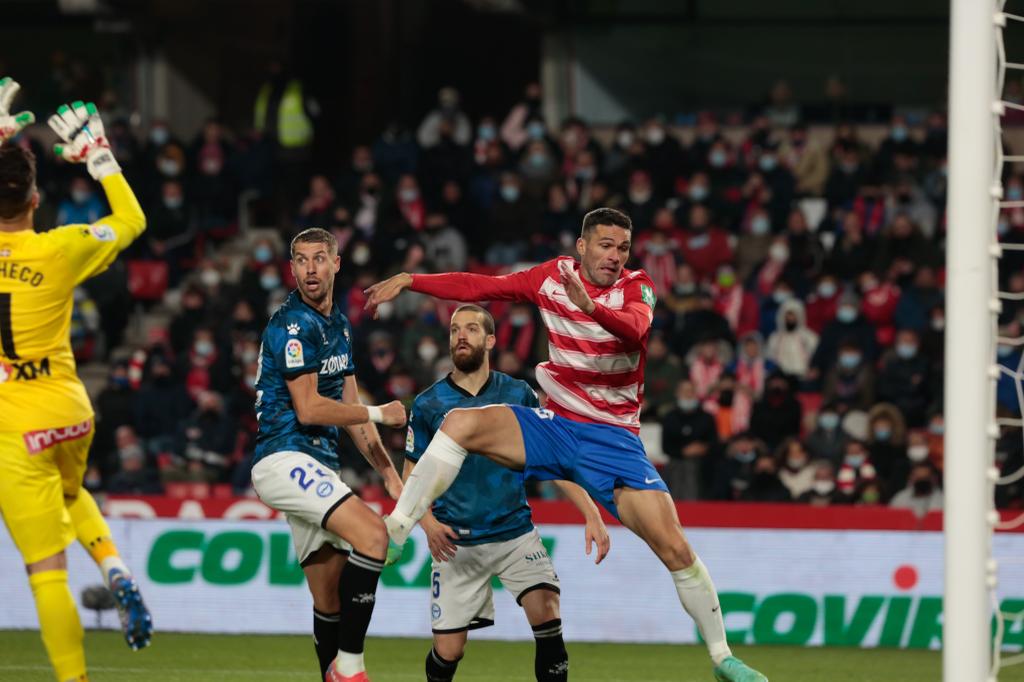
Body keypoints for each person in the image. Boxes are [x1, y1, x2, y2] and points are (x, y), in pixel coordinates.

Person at [365, 207, 767, 682]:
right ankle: (395, 528)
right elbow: (481, 286)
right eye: (605, 245)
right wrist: (412, 280)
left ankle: (722, 658)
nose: (615, 256)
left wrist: (592, 307)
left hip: (614, 442)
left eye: (622, 248)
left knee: (675, 548)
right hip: (555, 426)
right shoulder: (550, 277)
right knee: (458, 424)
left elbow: (636, 330)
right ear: (582, 246)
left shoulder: (638, 287)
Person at [0, 85, 152, 682]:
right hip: (69, 410)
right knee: (71, 493)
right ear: (37, 198)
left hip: (13, 427)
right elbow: (132, 221)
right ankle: (114, 566)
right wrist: (98, 154)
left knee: (46, 571)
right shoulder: (61, 248)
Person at [407, 304, 609, 682]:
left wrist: (591, 512)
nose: (460, 336)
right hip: (456, 541)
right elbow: (410, 476)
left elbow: (554, 461)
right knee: (449, 652)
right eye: (454, 330)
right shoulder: (428, 404)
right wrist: (428, 524)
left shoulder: (517, 394)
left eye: (470, 329)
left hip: (515, 534)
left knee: (547, 611)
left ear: (490, 340)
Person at [250, 227, 408, 682]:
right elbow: (311, 407)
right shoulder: (292, 325)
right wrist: (382, 413)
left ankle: (332, 674)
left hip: (318, 463)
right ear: (292, 267)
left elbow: (351, 411)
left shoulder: (338, 323)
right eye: (301, 260)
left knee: (330, 599)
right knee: (374, 538)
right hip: (284, 457)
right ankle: (351, 669)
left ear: (336, 263)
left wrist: (390, 476)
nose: (310, 269)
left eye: (319, 259)